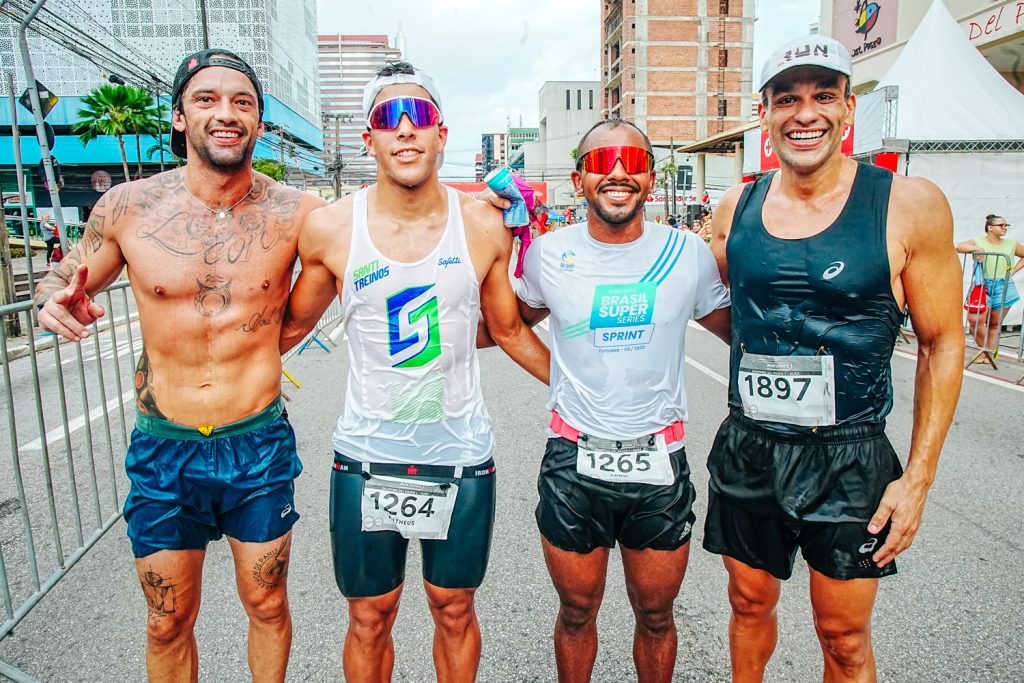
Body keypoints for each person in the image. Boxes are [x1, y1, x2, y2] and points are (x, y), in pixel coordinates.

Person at [34, 49, 324, 682]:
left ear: (259, 122)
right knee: (168, 619)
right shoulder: (128, 209)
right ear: (177, 117)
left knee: (267, 603)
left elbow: (377, 238)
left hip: (258, 445)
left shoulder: (299, 213)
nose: (226, 113)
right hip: (165, 450)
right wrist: (49, 299)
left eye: (242, 102)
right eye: (207, 99)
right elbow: (65, 276)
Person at [279, 61, 549, 682]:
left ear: (442, 133)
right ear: (368, 139)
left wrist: (580, 389)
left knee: (452, 607)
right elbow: (289, 328)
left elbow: (507, 329)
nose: (405, 130)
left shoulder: (480, 224)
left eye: (419, 116)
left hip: (459, 451)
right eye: (388, 118)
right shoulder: (332, 226)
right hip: (367, 453)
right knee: (371, 614)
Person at [705, 35, 964, 682]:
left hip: (848, 453)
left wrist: (919, 479)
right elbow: (714, 304)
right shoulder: (736, 207)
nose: (805, 113)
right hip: (751, 446)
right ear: (765, 113)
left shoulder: (911, 204)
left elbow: (942, 342)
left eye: (824, 95)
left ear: (849, 107)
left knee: (843, 636)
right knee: (747, 603)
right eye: (787, 98)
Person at [514, 118, 731, 682]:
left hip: (659, 459)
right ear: (578, 177)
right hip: (573, 460)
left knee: (656, 615)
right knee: (577, 610)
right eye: (602, 161)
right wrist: (560, 379)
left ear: (651, 179)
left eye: (632, 162)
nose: (617, 172)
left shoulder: (687, 253)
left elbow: (738, 330)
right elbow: (510, 325)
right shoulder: (547, 253)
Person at [955, 214, 1022, 351]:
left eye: (1006, 225)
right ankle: (985, 351)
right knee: (974, 321)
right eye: (1001, 225)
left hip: (1004, 284)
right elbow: (958, 247)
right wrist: (978, 249)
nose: (1005, 228)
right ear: (990, 227)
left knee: (995, 323)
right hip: (982, 284)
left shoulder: (1011, 244)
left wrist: (1013, 270)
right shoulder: (978, 241)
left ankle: (988, 354)